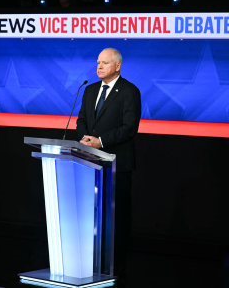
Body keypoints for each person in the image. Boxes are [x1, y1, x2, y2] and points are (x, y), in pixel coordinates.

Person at [76, 48, 141, 282]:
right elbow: (81, 120)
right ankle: (92, 262)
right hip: (90, 161)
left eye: (105, 63)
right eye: (98, 62)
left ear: (118, 66)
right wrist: (85, 139)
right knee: (92, 216)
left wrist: (101, 142)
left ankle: (117, 266)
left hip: (117, 164)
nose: (99, 66)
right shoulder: (90, 89)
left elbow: (129, 127)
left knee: (118, 217)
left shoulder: (129, 92)